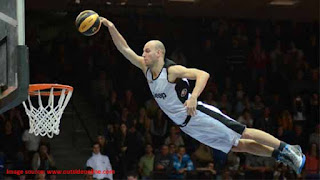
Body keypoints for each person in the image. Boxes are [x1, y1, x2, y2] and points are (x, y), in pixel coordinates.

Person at [99, 17, 305, 174]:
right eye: (143, 51)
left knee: (243, 132)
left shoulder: (172, 70)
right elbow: (124, 48)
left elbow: (202, 74)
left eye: (147, 51)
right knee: (237, 146)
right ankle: (280, 156)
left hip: (199, 114)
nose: (143, 54)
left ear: (159, 53)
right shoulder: (145, 70)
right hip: (188, 126)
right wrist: (110, 26)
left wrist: (194, 96)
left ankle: (288, 148)